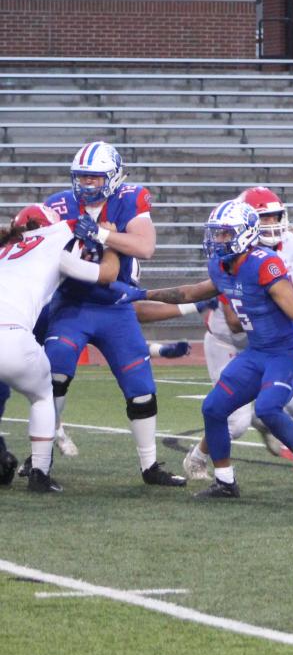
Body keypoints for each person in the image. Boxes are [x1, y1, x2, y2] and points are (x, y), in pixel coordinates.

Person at [139, 200, 293, 501]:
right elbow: (189, 293)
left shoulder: (264, 263)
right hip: (257, 350)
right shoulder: (222, 266)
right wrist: (144, 293)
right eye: (216, 234)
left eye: (225, 234)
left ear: (244, 234)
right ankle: (225, 481)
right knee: (213, 408)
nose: (217, 240)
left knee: (267, 408)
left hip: (283, 351)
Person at [39, 142, 185, 487]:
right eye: (82, 178)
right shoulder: (58, 204)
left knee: (141, 389)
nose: (87, 185)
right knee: (56, 370)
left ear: (115, 177)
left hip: (115, 307)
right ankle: (39, 462)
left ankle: (150, 467)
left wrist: (102, 233)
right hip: (72, 303)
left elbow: (145, 247)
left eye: (94, 178)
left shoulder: (130, 198)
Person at [0, 203, 144, 492]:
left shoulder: (4, 250)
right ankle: (39, 473)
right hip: (12, 337)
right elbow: (106, 275)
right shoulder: (57, 241)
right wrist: (112, 243)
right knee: (42, 396)